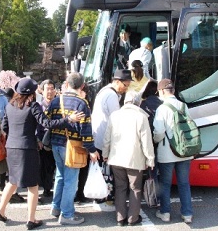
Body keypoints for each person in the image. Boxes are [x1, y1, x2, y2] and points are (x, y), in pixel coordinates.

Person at [0, 78, 83, 229]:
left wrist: (16, 137)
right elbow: (47, 123)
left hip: (12, 147)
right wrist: (68, 119)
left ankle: (1, 211)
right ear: (31, 92)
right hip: (27, 149)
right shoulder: (33, 106)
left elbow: (5, 126)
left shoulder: (10, 105)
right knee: (33, 186)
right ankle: (31, 219)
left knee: (12, 181)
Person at [46, 72, 100, 225]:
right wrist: (91, 149)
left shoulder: (56, 100)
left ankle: (56, 207)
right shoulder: (81, 103)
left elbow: (47, 120)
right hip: (72, 147)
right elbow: (85, 129)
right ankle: (67, 214)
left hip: (56, 144)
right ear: (82, 86)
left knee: (60, 177)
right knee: (71, 180)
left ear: (67, 84)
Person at [102, 91, 155, 226]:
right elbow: (146, 141)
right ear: (138, 102)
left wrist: (105, 154)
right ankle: (133, 218)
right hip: (134, 160)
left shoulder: (114, 116)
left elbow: (107, 138)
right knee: (135, 188)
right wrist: (150, 159)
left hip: (116, 159)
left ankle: (120, 218)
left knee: (120, 187)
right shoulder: (141, 117)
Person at [91, 69, 133, 211]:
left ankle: (100, 199)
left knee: (102, 170)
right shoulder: (112, 95)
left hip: (99, 137)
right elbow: (117, 119)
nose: (125, 89)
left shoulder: (104, 91)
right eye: (125, 85)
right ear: (117, 81)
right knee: (106, 172)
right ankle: (104, 201)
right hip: (105, 139)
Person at [153, 79, 194, 224]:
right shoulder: (183, 106)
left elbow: (158, 132)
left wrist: (155, 141)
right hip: (184, 151)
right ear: (173, 91)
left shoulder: (162, 108)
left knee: (165, 184)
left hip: (167, 152)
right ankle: (187, 214)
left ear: (162, 91)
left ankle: (165, 213)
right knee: (184, 183)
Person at [37, 79, 57, 198]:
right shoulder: (39, 107)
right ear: (42, 91)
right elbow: (36, 125)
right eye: (47, 89)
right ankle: (46, 188)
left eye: (51, 88)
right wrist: (38, 139)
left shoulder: (59, 105)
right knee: (46, 166)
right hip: (44, 141)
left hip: (57, 139)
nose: (49, 91)